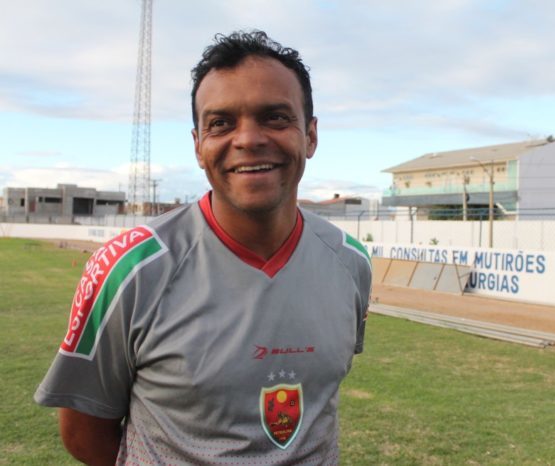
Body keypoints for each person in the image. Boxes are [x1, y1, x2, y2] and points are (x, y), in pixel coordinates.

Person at [35, 30, 371, 465]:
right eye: (221, 123)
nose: (247, 139)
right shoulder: (130, 269)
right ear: (198, 145)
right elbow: (84, 433)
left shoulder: (349, 262)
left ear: (310, 135)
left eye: (274, 117)